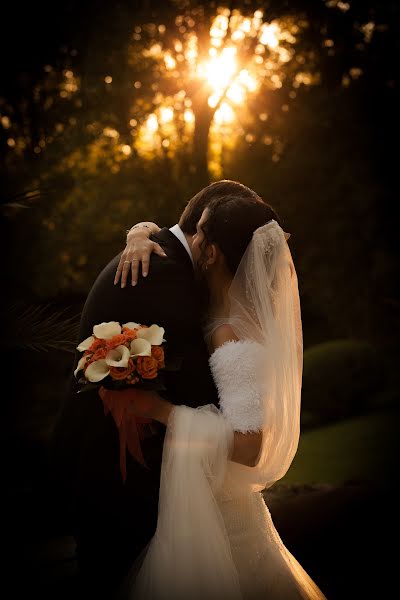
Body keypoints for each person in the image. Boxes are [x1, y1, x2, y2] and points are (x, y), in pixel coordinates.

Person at [50, 180, 267, 600]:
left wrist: (140, 229)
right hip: (116, 482)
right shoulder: (165, 275)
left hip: (125, 479)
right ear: (207, 235)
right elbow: (199, 397)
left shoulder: (169, 263)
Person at [106, 195, 328, 599]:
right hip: (209, 508)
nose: (191, 234)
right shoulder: (212, 311)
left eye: (201, 229)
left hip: (226, 524)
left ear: (211, 252)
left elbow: (248, 447)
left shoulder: (228, 332)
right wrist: (139, 230)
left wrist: (161, 411)